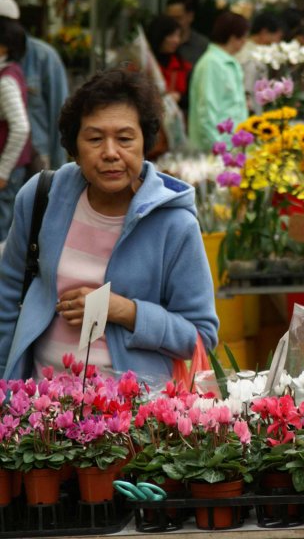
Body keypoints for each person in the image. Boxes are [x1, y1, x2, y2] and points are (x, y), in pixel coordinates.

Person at [0, 67, 219, 381]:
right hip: (38, 409)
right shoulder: (41, 197)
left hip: (134, 418)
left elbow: (200, 337)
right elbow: (7, 300)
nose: (111, 153)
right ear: (74, 148)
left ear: (146, 144)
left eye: (125, 139)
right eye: (95, 138)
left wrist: (125, 311)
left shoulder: (175, 224)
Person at [0, 0, 69, 170]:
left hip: (37, 160)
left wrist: (57, 171)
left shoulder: (44, 57)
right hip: (6, 161)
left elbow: (60, 114)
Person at [188, 11, 249, 152]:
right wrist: (218, 147)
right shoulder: (212, 64)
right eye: (244, 37)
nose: (245, 42)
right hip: (218, 149)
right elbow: (206, 110)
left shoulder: (228, 62)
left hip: (232, 147)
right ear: (234, 37)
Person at [0, 17, 31, 241]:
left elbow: (20, 127)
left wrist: (3, 171)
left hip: (7, 171)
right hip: (10, 169)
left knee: (3, 231)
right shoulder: (12, 71)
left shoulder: (5, 80)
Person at [235, 11, 282, 113]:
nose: (277, 42)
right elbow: (247, 89)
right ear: (264, 32)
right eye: (276, 36)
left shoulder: (257, 50)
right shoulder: (246, 53)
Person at [145, 14, 192, 114]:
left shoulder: (183, 67)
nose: (176, 40)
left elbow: (192, 97)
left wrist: (178, 97)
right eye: (171, 35)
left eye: (178, 36)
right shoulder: (143, 64)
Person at [166, 0, 209, 68]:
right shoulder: (161, 43)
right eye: (170, 18)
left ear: (190, 17)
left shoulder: (202, 45)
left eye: (178, 18)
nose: (173, 22)